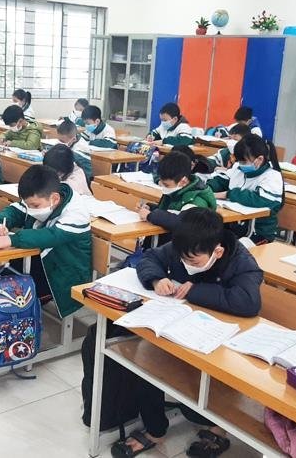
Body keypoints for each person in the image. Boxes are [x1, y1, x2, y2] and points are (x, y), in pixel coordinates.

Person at [111, 208, 262, 457]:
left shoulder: (241, 262)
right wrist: (157, 280)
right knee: (145, 355)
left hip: (219, 339)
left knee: (202, 378)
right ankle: (155, 429)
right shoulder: (187, 246)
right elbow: (150, 258)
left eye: (193, 262)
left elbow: (248, 303)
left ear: (218, 251)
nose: (185, 265)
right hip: (180, 327)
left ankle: (217, 428)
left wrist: (195, 290)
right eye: (183, 260)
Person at [0, 165, 91, 318]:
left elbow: (50, 236)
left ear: (54, 199)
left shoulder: (76, 212)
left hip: (61, 275)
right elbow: (13, 210)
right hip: (38, 261)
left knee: (6, 300)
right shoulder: (39, 198)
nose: (30, 209)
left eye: (34, 206)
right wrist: (0, 224)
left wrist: (11, 239)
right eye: (28, 205)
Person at [208, 134, 284, 244]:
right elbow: (222, 179)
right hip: (234, 227)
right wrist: (208, 189)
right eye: (239, 161)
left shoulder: (272, 176)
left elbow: (260, 199)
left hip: (259, 232)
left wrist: (228, 194)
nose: (240, 165)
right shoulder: (238, 168)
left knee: (227, 249)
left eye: (244, 162)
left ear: (259, 159)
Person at [138, 152, 216, 232]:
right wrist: (151, 208)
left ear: (183, 181)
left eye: (166, 185)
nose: (163, 187)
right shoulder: (176, 191)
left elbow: (181, 223)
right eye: (161, 183)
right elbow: (170, 211)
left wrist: (150, 215)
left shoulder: (196, 200)